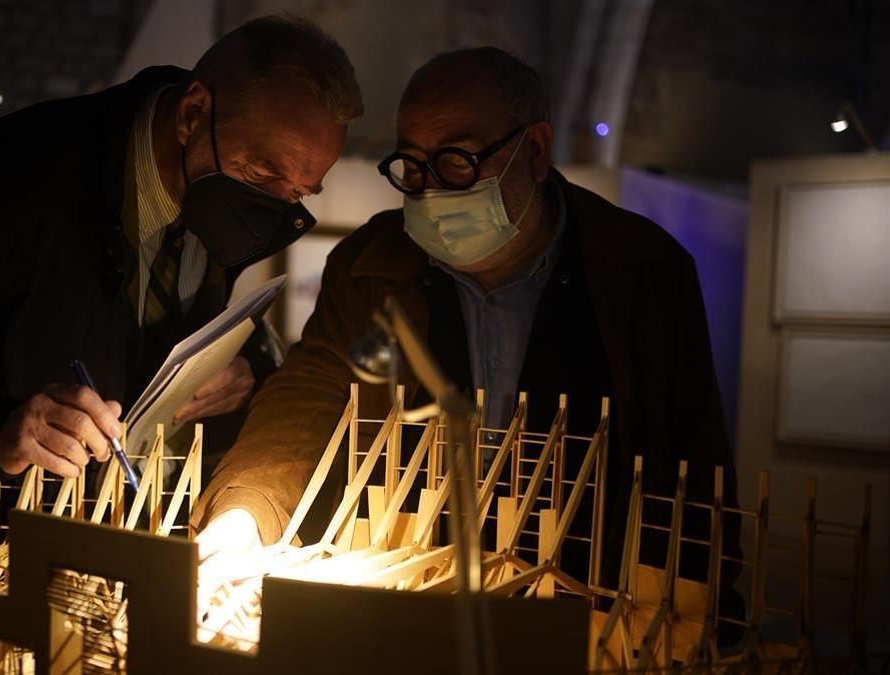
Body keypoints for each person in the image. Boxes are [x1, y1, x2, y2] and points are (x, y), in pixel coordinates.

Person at [192, 47, 742, 594]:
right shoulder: (369, 265)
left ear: (535, 150)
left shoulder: (643, 270)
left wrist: (703, 604)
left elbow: (690, 453)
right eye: (412, 163)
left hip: (585, 605)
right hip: (411, 595)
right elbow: (306, 397)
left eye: (458, 159)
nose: (430, 188)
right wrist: (244, 513)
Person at [0, 16, 362, 550]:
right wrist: (2, 431)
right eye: (262, 175)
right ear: (192, 114)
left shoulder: (224, 201)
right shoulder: (11, 174)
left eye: (300, 194)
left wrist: (246, 370)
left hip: (118, 552)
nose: (275, 206)